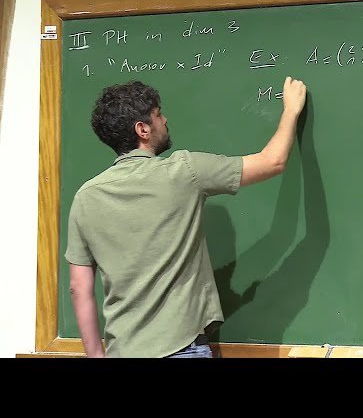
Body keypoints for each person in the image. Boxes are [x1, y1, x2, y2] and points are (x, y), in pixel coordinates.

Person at [65, 76, 307, 358]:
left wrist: (96, 356)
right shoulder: (183, 172)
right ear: (142, 129)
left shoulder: (86, 197)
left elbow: (79, 287)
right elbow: (272, 162)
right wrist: (291, 110)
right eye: (158, 115)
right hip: (181, 349)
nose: (165, 120)